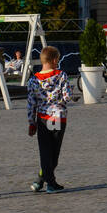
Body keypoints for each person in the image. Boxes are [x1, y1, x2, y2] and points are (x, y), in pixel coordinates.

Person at [26, 45, 70, 193]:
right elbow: (67, 97)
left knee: (45, 151)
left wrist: (32, 123)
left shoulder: (33, 80)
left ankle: (40, 181)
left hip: (42, 118)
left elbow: (31, 103)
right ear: (55, 59)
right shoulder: (61, 75)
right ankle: (50, 183)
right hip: (57, 117)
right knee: (54, 153)